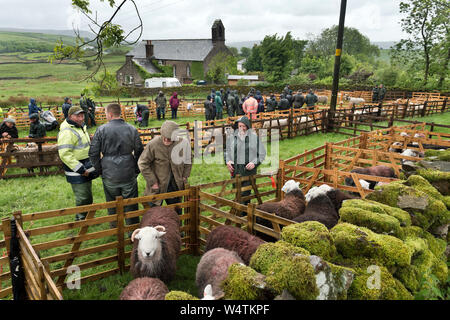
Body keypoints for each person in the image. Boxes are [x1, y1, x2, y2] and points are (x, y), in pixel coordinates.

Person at [89, 103, 143, 228]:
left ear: (110, 114)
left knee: (112, 202)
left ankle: (114, 227)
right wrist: (135, 168)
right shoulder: (131, 129)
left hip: (109, 171)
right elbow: (139, 150)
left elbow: (93, 152)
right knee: (131, 203)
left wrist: (99, 170)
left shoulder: (101, 130)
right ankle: (132, 229)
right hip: (128, 170)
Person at [138, 120, 192, 213]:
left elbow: (188, 159)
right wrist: (152, 181)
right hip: (158, 184)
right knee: (153, 213)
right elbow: (142, 163)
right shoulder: (153, 144)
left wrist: (184, 176)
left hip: (176, 183)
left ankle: (177, 227)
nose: (166, 140)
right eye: (165, 137)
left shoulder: (183, 143)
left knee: (176, 212)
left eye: (170, 138)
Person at [57, 106, 98, 221]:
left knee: (87, 193)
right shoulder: (67, 131)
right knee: (83, 196)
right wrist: (80, 169)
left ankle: (87, 217)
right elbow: (65, 153)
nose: (81, 118)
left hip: (85, 165)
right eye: (78, 116)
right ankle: (80, 220)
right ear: (70, 116)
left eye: (82, 115)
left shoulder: (79, 126)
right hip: (77, 169)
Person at [224, 116, 266, 208]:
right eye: (240, 126)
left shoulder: (254, 138)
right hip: (235, 172)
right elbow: (226, 151)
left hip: (248, 173)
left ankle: (244, 215)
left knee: (245, 196)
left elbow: (262, 154)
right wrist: (228, 160)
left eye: (244, 126)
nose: (242, 128)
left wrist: (254, 163)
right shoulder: (232, 138)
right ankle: (240, 214)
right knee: (237, 193)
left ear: (248, 126)